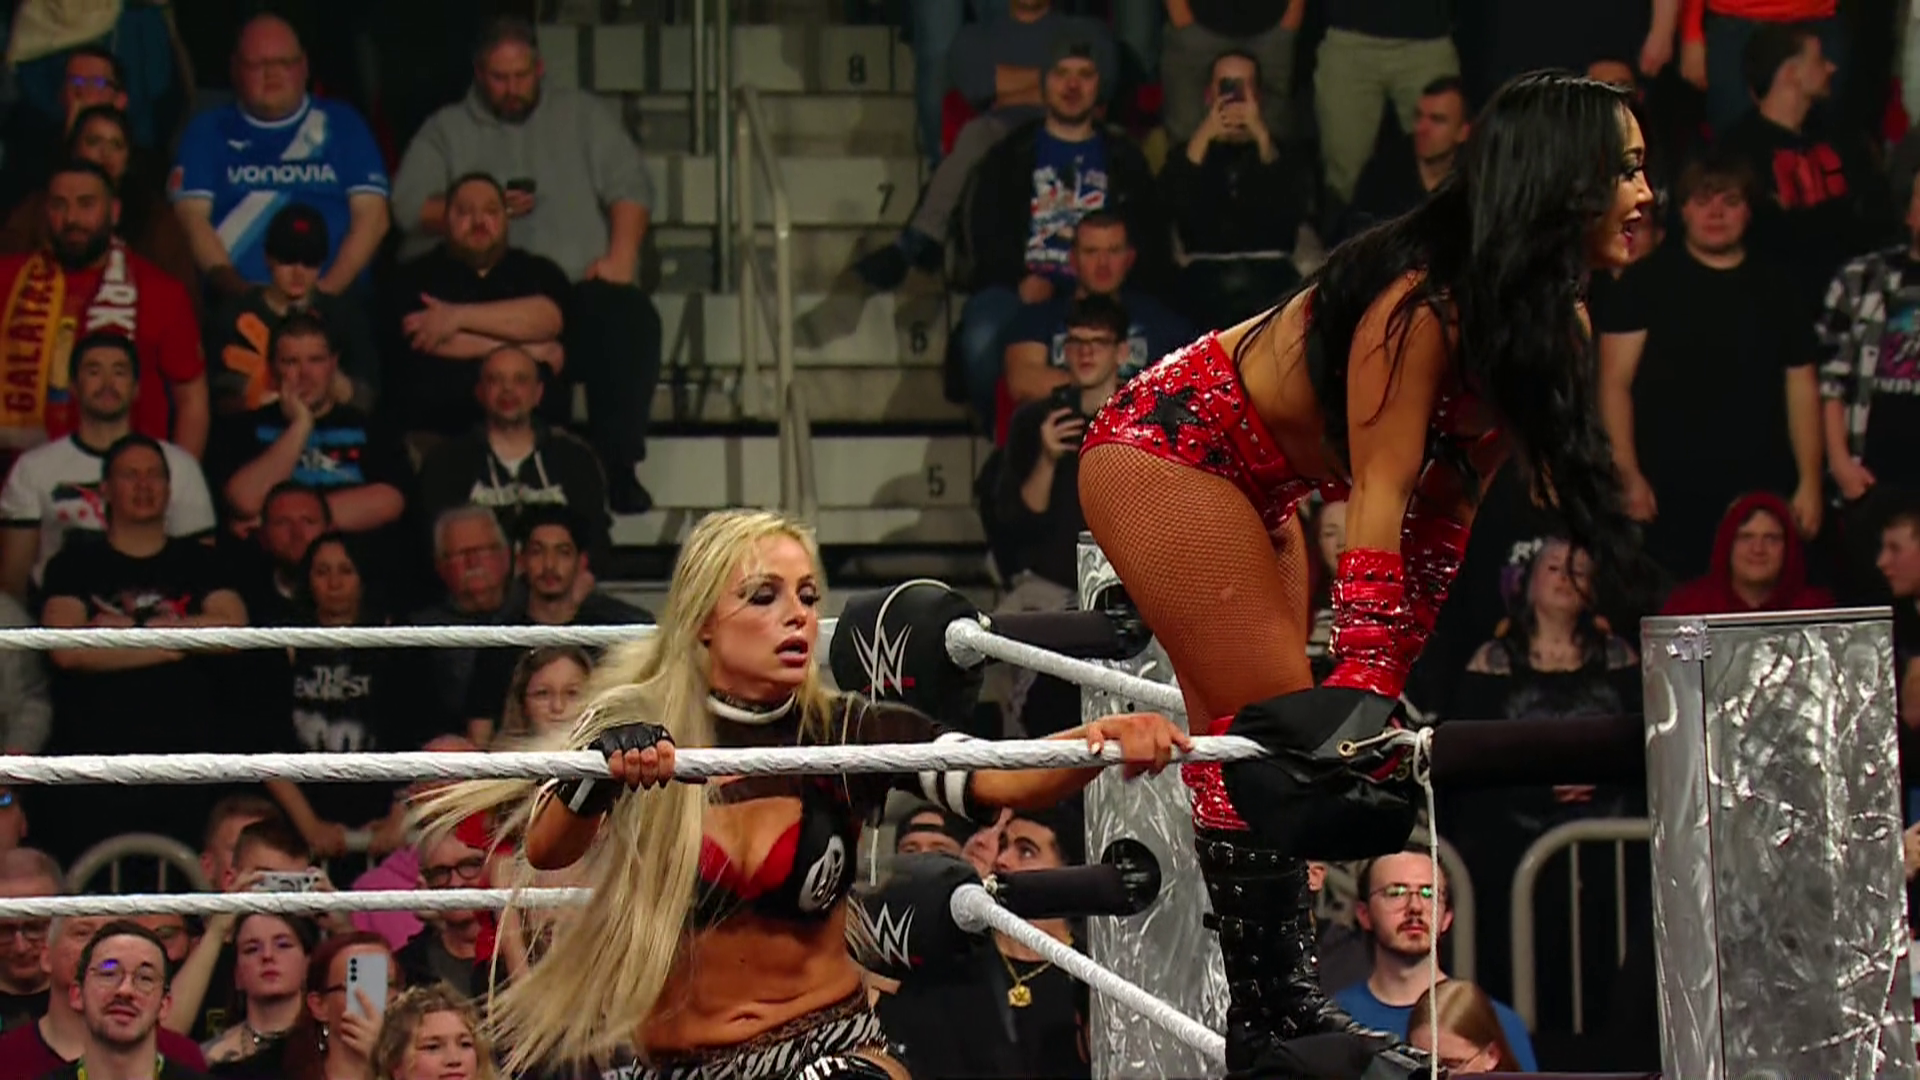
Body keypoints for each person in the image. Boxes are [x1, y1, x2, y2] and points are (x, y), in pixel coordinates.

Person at [1075, 70, 1651, 1078]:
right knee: (1280, 735)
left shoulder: (1549, 326)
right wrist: (1363, 688)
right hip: (1171, 448)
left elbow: (1447, 513)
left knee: (1259, 737)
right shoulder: (1422, 303)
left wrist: (1378, 685)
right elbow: (1379, 501)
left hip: (1264, 485)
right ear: (1563, 179)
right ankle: (1278, 1013)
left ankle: (1271, 1014)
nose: (1645, 194)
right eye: (1627, 169)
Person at [418, 508, 1186, 1079]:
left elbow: (995, 775)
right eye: (763, 596)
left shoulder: (846, 732)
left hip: (826, 1046)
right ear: (703, 622)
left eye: (808, 595)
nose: (796, 615)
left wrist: (1104, 738)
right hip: (679, 1061)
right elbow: (548, 850)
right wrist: (599, 779)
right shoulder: (638, 728)